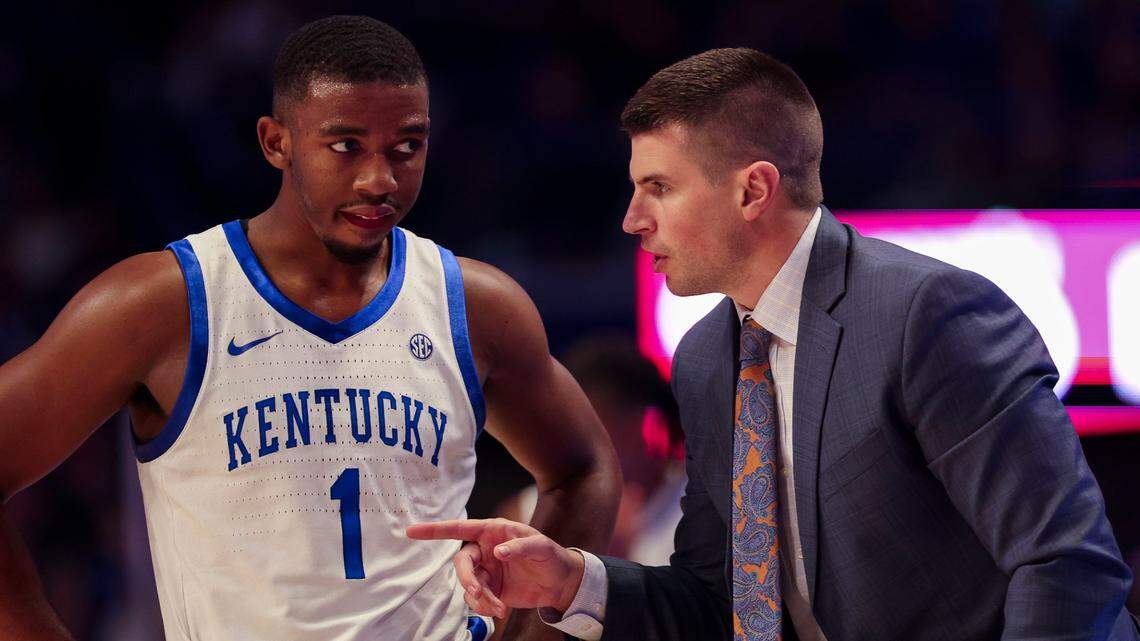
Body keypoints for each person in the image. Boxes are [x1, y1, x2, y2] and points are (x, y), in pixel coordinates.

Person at [407, 48, 1140, 640]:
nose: (632, 219)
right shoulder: (703, 359)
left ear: (753, 191)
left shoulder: (927, 313)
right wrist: (571, 578)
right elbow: (712, 600)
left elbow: (1065, 562)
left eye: (658, 187)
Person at [0, 15, 620, 641]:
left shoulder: (477, 305)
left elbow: (585, 468)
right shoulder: (166, 303)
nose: (380, 179)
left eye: (407, 146)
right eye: (346, 145)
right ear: (276, 142)